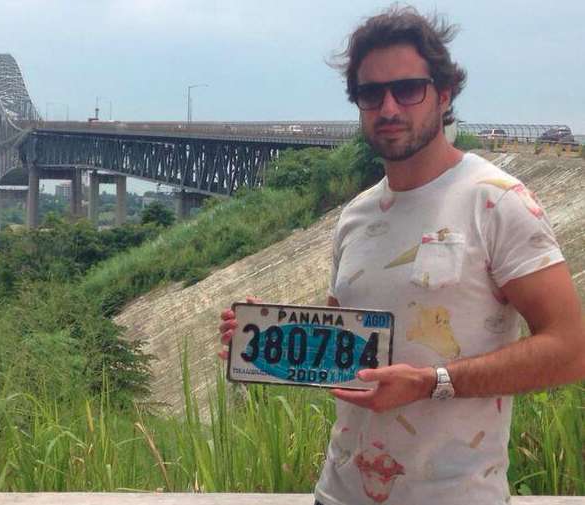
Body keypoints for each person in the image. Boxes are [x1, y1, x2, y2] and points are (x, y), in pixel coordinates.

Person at [218, 6, 585, 505]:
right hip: (340, 492)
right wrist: (272, 338)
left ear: (444, 93)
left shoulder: (497, 200)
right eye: (371, 93)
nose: (389, 107)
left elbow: (571, 349)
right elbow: (350, 342)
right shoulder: (355, 217)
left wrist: (430, 382)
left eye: (408, 88)